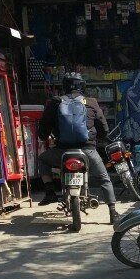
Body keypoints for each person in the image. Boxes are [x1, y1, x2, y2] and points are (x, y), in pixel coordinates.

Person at [37, 73, 119, 224]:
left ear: (64, 86)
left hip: (62, 152)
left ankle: (49, 192)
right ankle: (113, 211)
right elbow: (104, 128)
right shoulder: (91, 102)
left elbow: (43, 129)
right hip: (87, 151)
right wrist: (100, 138)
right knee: (104, 178)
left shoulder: (55, 102)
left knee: (42, 159)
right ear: (82, 86)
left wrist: (44, 136)